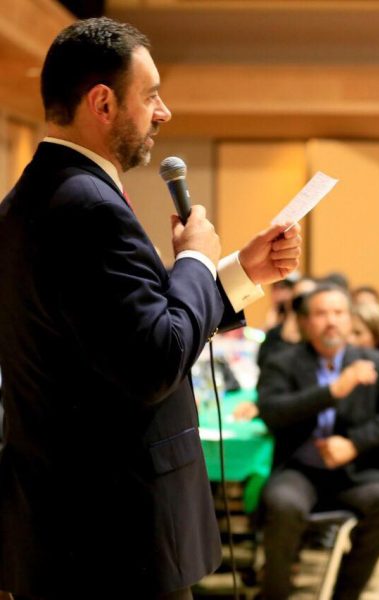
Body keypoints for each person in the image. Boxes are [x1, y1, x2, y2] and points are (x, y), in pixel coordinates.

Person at [0, 17, 302, 600]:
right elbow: (154, 359)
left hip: (62, 526)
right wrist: (196, 259)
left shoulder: (31, 200)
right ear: (103, 103)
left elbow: (121, 330)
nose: (164, 112)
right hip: (114, 533)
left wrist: (238, 273)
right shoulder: (90, 209)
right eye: (152, 95)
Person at [255, 285, 379, 600]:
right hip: (300, 471)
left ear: (350, 319)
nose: (331, 321)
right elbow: (271, 411)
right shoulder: (282, 362)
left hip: (357, 473)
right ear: (305, 322)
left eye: (339, 313)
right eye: (321, 313)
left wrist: (354, 444)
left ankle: (345, 594)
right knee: (281, 503)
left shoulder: (373, 361)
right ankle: (275, 594)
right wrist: (332, 391)